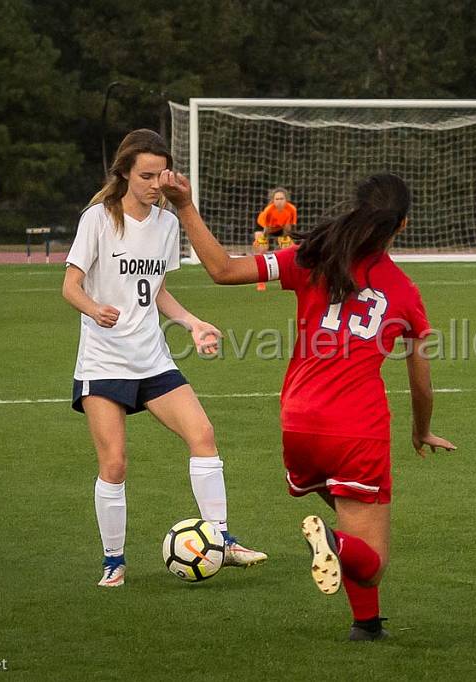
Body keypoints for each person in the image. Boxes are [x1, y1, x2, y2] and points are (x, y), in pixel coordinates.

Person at [161, 170, 455, 640]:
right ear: (402, 226)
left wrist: (185, 207)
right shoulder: (403, 291)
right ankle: (335, 544)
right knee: (371, 559)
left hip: (298, 422)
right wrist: (422, 430)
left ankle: (366, 625)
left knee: (351, 514)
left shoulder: (310, 258)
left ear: (357, 209)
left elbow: (223, 270)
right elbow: (421, 385)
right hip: (356, 429)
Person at [62, 129, 267, 588]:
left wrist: (193, 323)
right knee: (114, 464)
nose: (155, 184)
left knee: (204, 435)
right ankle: (114, 560)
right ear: (125, 174)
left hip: (153, 360)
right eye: (146, 175)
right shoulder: (98, 219)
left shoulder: (168, 224)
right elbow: (70, 286)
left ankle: (222, 539)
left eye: (161, 175)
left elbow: (155, 290)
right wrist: (94, 308)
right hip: (103, 363)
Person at [253, 187, 297, 291]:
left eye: (282, 199)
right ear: (273, 200)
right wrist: (263, 239)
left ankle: (289, 279)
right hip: (264, 228)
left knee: (290, 250)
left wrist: (285, 238)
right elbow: (266, 229)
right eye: (277, 199)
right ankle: (261, 282)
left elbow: (288, 227)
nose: (279, 201)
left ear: (286, 200)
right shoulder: (269, 210)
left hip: (281, 228)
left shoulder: (292, 209)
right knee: (262, 249)